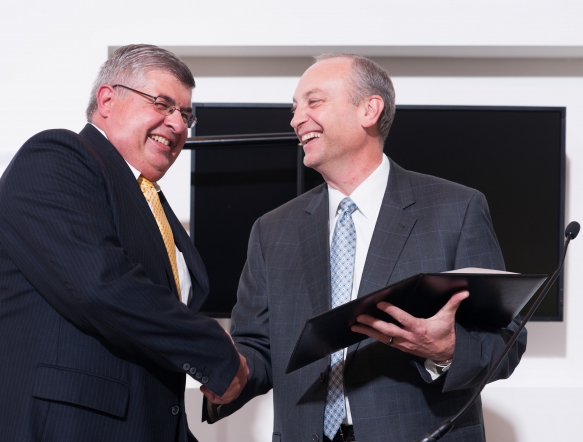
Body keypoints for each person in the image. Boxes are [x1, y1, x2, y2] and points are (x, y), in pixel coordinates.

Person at [202, 54, 526, 442]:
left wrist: (446, 348)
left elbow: (507, 339)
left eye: (313, 101)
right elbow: (258, 347)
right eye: (294, 107)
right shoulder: (271, 229)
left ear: (369, 109)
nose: (295, 119)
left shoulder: (457, 209)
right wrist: (232, 371)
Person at [0, 44, 248, 442]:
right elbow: (101, 286)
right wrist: (216, 351)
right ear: (107, 99)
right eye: (163, 103)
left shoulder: (153, 203)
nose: (178, 124)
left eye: (186, 114)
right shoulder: (56, 157)